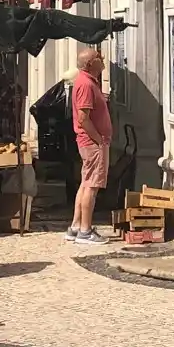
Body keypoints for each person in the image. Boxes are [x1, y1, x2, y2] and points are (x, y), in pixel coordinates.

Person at [68, 46, 112, 245]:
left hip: (89, 141)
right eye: (98, 57)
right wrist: (98, 139)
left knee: (85, 183)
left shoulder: (88, 82)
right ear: (90, 64)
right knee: (92, 186)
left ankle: (75, 227)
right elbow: (84, 118)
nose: (102, 58)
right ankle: (85, 231)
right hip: (92, 142)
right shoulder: (86, 84)